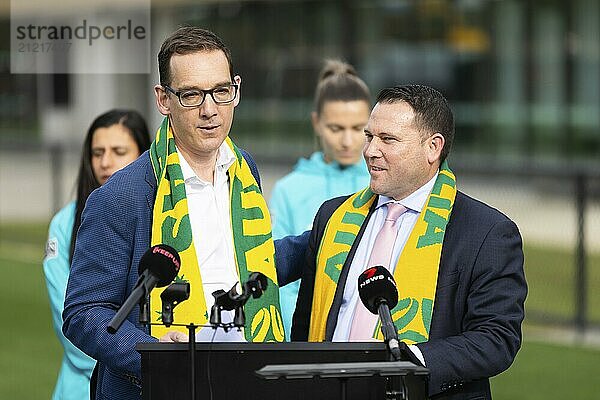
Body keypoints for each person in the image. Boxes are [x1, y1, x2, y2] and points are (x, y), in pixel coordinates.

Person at [62, 27, 307, 400]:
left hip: (246, 379)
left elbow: (252, 265)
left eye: (221, 92)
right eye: (191, 95)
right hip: (157, 386)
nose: (210, 110)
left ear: (236, 90)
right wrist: (156, 353)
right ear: (163, 99)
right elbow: (84, 312)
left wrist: (323, 234)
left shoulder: (245, 171)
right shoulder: (118, 196)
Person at [292, 84, 527, 399]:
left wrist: (411, 361)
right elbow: (304, 325)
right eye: (370, 136)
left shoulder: (487, 232)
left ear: (433, 148)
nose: (370, 150)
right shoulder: (333, 216)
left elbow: (497, 339)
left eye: (387, 139)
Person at [43, 109, 150, 400]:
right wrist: (147, 362)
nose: (105, 162)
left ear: (143, 154)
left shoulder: (161, 216)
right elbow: (73, 320)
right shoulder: (64, 225)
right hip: (82, 386)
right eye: (97, 152)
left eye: (118, 151)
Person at [270, 59, 371, 339]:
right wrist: (301, 341)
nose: (348, 141)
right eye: (336, 128)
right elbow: (280, 277)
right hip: (307, 335)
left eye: (358, 128)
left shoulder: (384, 183)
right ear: (317, 122)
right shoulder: (289, 189)